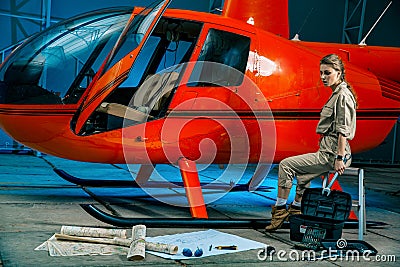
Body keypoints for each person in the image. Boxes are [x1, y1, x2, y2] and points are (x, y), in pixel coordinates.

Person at [265, 54, 358, 231]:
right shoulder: (337, 94)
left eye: (327, 73)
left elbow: (343, 130)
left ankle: (279, 210)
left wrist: (339, 158)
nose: (323, 77)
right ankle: (296, 211)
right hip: (329, 150)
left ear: (339, 73)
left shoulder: (343, 96)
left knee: (286, 165)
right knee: (302, 176)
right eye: (321, 73)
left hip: (333, 154)